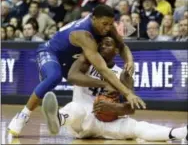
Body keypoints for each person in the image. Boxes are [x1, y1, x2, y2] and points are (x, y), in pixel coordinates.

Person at [8, 4, 146, 136]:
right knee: (54, 77)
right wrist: (128, 94)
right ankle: (23, 115)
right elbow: (103, 69)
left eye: (110, 24)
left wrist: (129, 60)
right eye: (105, 24)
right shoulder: (84, 34)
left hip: (70, 61)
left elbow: (122, 46)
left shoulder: (107, 25)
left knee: (80, 74)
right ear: (93, 19)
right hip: (51, 52)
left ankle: (65, 117)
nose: (108, 28)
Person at [42, 37, 188, 141]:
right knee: (75, 108)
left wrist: (113, 107)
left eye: (108, 44)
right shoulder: (87, 60)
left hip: (106, 122)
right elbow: (72, 76)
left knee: (137, 127)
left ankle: (179, 133)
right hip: (82, 120)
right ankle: (58, 119)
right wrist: (104, 84)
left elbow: (130, 108)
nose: (103, 47)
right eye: (102, 44)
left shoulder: (122, 74)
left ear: (117, 50)